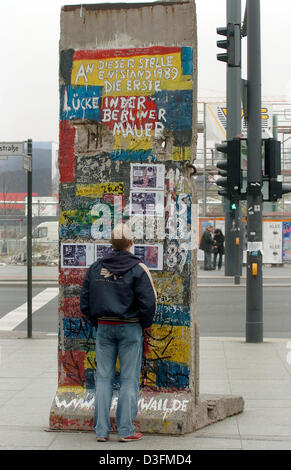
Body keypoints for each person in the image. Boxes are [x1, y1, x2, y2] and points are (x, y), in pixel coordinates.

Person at [80, 222, 157, 443]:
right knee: (128, 379)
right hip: (131, 328)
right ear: (131, 244)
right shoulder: (138, 269)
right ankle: (125, 430)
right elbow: (149, 302)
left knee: (103, 379)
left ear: (111, 244)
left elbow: (84, 301)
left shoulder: (96, 268)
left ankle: (101, 431)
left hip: (104, 327)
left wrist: (97, 321)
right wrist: (142, 324)